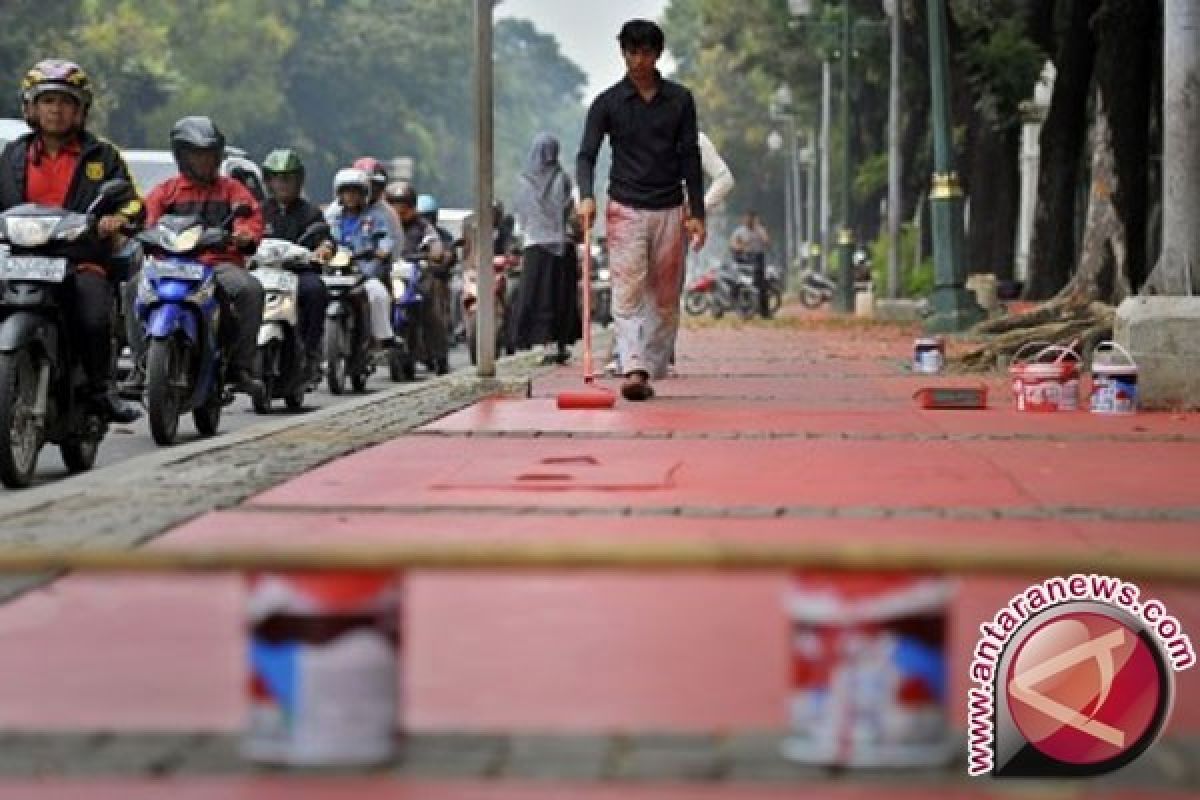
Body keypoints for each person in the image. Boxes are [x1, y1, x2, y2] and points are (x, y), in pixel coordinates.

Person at [0, 59, 143, 423]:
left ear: (81, 109)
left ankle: (100, 390)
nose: (56, 110)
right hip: (18, 260)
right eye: (47, 101)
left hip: (81, 260)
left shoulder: (102, 155)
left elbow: (132, 202)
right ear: (31, 107)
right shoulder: (13, 154)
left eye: (65, 102)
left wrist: (118, 219)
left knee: (94, 316)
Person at [577, 19, 705, 401]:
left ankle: (649, 365)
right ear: (623, 53)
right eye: (632, 52)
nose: (638, 60)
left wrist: (697, 211)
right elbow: (586, 154)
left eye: (646, 52)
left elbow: (690, 157)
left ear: (657, 54)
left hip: (669, 208)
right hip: (626, 209)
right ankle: (633, 366)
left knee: (665, 298)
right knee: (628, 290)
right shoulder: (608, 103)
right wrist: (586, 194)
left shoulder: (680, 100)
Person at [132, 116, 266, 401]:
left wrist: (242, 235)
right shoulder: (165, 191)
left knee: (250, 290)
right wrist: (138, 232)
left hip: (218, 265)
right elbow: (145, 222)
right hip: (169, 266)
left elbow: (250, 220)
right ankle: (140, 364)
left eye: (209, 154)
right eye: (196, 154)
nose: (204, 161)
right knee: (132, 286)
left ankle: (240, 368)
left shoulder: (232, 190)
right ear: (182, 156)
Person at [260, 148, 333, 384]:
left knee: (315, 291)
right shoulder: (259, 211)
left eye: (288, 178)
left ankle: (311, 353)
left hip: (300, 274)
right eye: (277, 178)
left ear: (298, 180)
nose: (282, 184)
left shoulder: (311, 212)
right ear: (268, 181)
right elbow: (243, 233)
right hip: (264, 274)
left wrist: (323, 250)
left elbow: (326, 239)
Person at [512, 132, 580, 365]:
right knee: (560, 296)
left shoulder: (523, 182)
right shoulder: (563, 178)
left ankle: (544, 343)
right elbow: (567, 210)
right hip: (561, 246)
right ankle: (559, 343)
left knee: (539, 295)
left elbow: (521, 214)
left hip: (535, 247)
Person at [324, 167, 398, 350]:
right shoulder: (332, 218)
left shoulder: (375, 217)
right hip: (335, 272)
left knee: (378, 294)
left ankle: (384, 337)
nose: (350, 196)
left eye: (355, 192)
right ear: (339, 194)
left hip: (363, 272)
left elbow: (387, 238)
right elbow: (322, 237)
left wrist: (382, 250)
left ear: (364, 194)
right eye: (346, 191)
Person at [385, 182, 449, 374]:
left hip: (417, 274)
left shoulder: (423, 226)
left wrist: (435, 253)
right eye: (394, 205)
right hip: (390, 274)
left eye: (403, 206)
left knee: (431, 309)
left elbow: (434, 243)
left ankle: (439, 353)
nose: (399, 210)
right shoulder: (382, 225)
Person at [730, 211, 771, 318]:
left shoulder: (760, 230)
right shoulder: (739, 231)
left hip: (758, 259)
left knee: (762, 285)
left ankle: (764, 312)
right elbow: (733, 244)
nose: (750, 221)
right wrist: (741, 247)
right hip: (743, 259)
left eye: (752, 219)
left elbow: (767, 242)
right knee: (737, 282)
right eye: (748, 218)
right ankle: (735, 304)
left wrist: (760, 231)